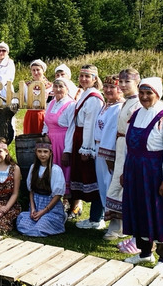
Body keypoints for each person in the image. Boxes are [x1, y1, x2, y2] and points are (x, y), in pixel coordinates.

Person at [122, 77, 163, 274]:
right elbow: (129, 146)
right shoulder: (136, 114)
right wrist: (126, 171)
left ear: (157, 94)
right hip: (135, 170)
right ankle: (144, 253)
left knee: (159, 214)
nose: (144, 97)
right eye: (141, 93)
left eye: (148, 93)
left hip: (155, 172)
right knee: (139, 210)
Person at [63, 64, 104, 223]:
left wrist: (86, 149)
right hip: (78, 137)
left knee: (92, 178)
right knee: (83, 177)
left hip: (85, 139)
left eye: (88, 76)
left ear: (95, 79)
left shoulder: (93, 98)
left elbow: (90, 125)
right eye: (81, 76)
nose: (84, 79)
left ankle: (96, 217)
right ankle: (90, 215)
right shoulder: (84, 94)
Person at [106, 69, 142, 247]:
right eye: (120, 81)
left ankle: (132, 232)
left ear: (136, 82)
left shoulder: (138, 104)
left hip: (131, 148)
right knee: (117, 185)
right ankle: (117, 225)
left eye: (127, 82)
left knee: (126, 186)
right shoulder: (127, 103)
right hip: (121, 146)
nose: (122, 85)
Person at [87, 75, 124, 233]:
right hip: (99, 150)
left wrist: (109, 156)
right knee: (103, 186)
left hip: (109, 152)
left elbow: (112, 132)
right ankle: (112, 223)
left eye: (112, 88)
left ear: (120, 90)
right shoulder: (108, 105)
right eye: (106, 87)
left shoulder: (119, 107)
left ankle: (117, 225)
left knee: (111, 187)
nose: (108, 90)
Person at [16, 135, 67, 237]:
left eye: (45, 151)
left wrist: (44, 211)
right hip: (36, 205)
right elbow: (31, 191)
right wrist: (33, 209)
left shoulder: (55, 170)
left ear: (50, 153)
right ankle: (35, 221)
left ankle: (59, 219)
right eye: (39, 151)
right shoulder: (33, 168)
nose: (42, 155)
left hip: (50, 209)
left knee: (41, 226)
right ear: (36, 152)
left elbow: (57, 195)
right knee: (22, 222)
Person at [42, 78, 77, 201]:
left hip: (63, 141)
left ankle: (66, 201)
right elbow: (46, 122)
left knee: (64, 170)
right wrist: (45, 134)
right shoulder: (51, 103)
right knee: (51, 169)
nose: (57, 89)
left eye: (61, 87)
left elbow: (72, 128)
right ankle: (52, 198)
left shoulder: (70, 105)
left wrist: (67, 151)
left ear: (67, 89)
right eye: (55, 86)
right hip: (50, 141)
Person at [23, 59, 53, 134]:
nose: (35, 72)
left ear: (43, 70)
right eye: (33, 70)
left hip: (44, 115)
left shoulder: (50, 86)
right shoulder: (26, 85)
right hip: (30, 115)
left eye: (38, 70)